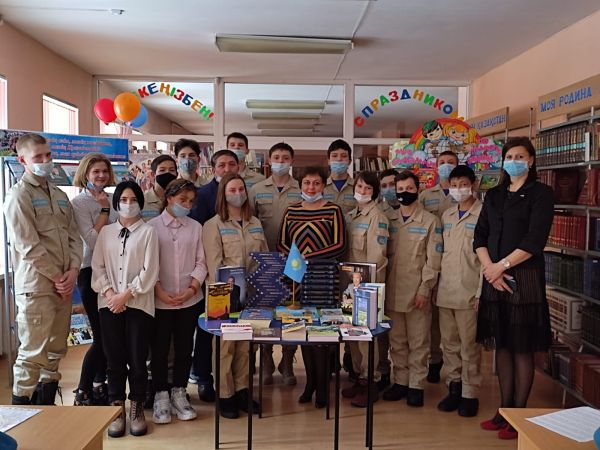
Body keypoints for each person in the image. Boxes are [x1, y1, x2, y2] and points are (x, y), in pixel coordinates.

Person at [475, 137, 554, 440]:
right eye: (509, 156)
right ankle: (503, 410)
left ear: (531, 160)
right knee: (503, 345)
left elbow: (535, 240)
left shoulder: (541, 194)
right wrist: (490, 269)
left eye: (520, 156)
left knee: (521, 346)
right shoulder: (494, 195)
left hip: (524, 277)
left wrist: (502, 267)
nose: (514, 161)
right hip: (494, 277)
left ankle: (518, 415)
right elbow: (480, 236)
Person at [5, 133, 83, 405]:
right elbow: (27, 245)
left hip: (63, 286)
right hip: (37, 287)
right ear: (22, 160)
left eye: (48, 155)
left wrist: (73, 270)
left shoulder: (60, 195)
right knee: (32, 354)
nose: (45, 161)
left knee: (55, 351)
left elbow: (74, 237)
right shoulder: (18, 196)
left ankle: (47, 407)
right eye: (38, 157)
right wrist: (58, 277)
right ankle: (21, 415)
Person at [91, 181, 160, 437]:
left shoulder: (149, 232)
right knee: (114, 359)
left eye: (133, 200)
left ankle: (137, 407)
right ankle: (116, 407)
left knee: (137, 359)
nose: (128, 204)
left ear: (140, 202)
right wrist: (111, 294)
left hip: (138, 304)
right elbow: (97, 267)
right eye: (123, 199)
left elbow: (150, 270)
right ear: (116, 202)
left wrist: (126, 295)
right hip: (108, 304)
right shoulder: (106, 233)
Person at [278, 166, 347, 408]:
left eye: (316, 183)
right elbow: (282, 243)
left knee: (324, 334)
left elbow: (340, 245)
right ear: (300, 185)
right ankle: (310, 384)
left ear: (323, 185)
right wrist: (296, 261)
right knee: (305, 333)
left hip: (324, 279)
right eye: (307, 183)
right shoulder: (291, 211)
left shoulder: (333, 210)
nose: (311, 187)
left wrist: (309, 258)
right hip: (297, 281)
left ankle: (323, 387)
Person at [203, 173, 268, 419]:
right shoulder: (213, 225)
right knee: (225, 346)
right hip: (223, 295)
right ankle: (224, 394)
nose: (238, 193)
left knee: (245, 346)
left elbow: (263, 256)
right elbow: (214, 265)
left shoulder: (255, 222)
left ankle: (242, 390)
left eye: (241, 189)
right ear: (223, 193)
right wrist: (228, 290)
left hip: (251, 295)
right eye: (232, 190)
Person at [148, 179, 208, 425]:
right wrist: (159, 290)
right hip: (159, 299)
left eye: (191, 201)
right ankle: (160, 394)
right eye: (182, 200)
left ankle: (179, 392)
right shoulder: (151, 227)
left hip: (189, 299)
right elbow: (146, 264)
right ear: (169, 198)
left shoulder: (196, 227)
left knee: (184, 348)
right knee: (160, 349)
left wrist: (192, 288)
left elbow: (201, 262)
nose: (187, 205)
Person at [383, 170, 442, 407]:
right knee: (397, 341)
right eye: (400, 189)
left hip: (417, 292)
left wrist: (425, 289)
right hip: (392, 291)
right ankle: (400, 381)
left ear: (418, 189)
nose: (404, 193)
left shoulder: (430, 221)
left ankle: (416, 385)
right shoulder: (389, 219)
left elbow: (433, 260)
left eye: (409, 188)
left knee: (419, 342)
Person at [248, 142, 302, 385]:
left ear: (292, 161)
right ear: (269, 161)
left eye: (285, 157)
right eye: (277, 157)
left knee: (293, 312)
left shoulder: (301, 189)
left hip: (294, 262)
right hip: (265, 261)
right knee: (265, 313)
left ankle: (288, 361)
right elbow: (249, 222)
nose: (281, 161)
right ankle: (267, 359)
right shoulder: (257, 189)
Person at [188, 149, 239, 402]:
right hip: (210, 275)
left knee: (236, 334)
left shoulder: (242, 192)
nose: (226, 169)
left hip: (238, 277)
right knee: (209, 332)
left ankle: (235, 383)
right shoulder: (203, 195)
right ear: (213, 168)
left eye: (231, 164)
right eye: (221, 165)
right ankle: (204, 378)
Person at [71, 153, 118, 407]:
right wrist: (104, 211)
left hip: (114, 271)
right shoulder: (79, 203)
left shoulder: (113, 198)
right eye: (95, 172)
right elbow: (91, 240)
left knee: (110, 334)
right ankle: (83, 389)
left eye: (104, 171)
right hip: (90, 271)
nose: (101, 176)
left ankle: (100, 384)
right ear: (86, 174)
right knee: (101, 337)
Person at [436, 165, 482, 418]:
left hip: (469, 292)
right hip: (446, 292)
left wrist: (481, 293)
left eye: (463, 184)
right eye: (454, 185)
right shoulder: (447, 215)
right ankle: (454, 388)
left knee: (469, 347)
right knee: (449, 346)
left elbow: (486, 259)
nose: (458, 189)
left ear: (473, 184)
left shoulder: (484, 214)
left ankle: (469, 393)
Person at [341, 171, 389, 408]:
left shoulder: (378, 217)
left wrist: (365, 287)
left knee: (365, 338)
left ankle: (371, 381)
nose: (362, 191)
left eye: (368, 188)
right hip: (349, 287)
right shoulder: (351, 216)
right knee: (352, 336)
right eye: (359, 187)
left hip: (367, 287)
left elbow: (377, 258)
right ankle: (359, 378)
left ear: (375, 192)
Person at [418, 150, 460, 383]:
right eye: (442, 162)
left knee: (452, 324)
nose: (446, 166)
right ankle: (434, 360)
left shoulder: (462, 194)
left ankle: (457, 370)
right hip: (431, 260)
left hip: (454, 264)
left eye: (450, 162)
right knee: (431, 320)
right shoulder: (425, 195)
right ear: (435, 166)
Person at [375, 168, 400, 389]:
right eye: (384, 186)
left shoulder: (414, 212)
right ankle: (382, 371)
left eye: (393, 184)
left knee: (402, 335)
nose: (389, 189)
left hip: (403, 280)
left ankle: (404, 379)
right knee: (380, 332)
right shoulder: (377, 213)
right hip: (380, 279)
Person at [323, 139, 356, 214]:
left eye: (344, 156)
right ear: (328, 161)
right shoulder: (321, 186)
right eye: (334, 156)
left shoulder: (358, 187)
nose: (339, 159)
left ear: (350, 161)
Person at [141, 154, 178, 221]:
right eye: (162, 170)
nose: (167, 173)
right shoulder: (142, 201)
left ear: (176, 174)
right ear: (153, 174)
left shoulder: (181, 200)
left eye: (172, 170)